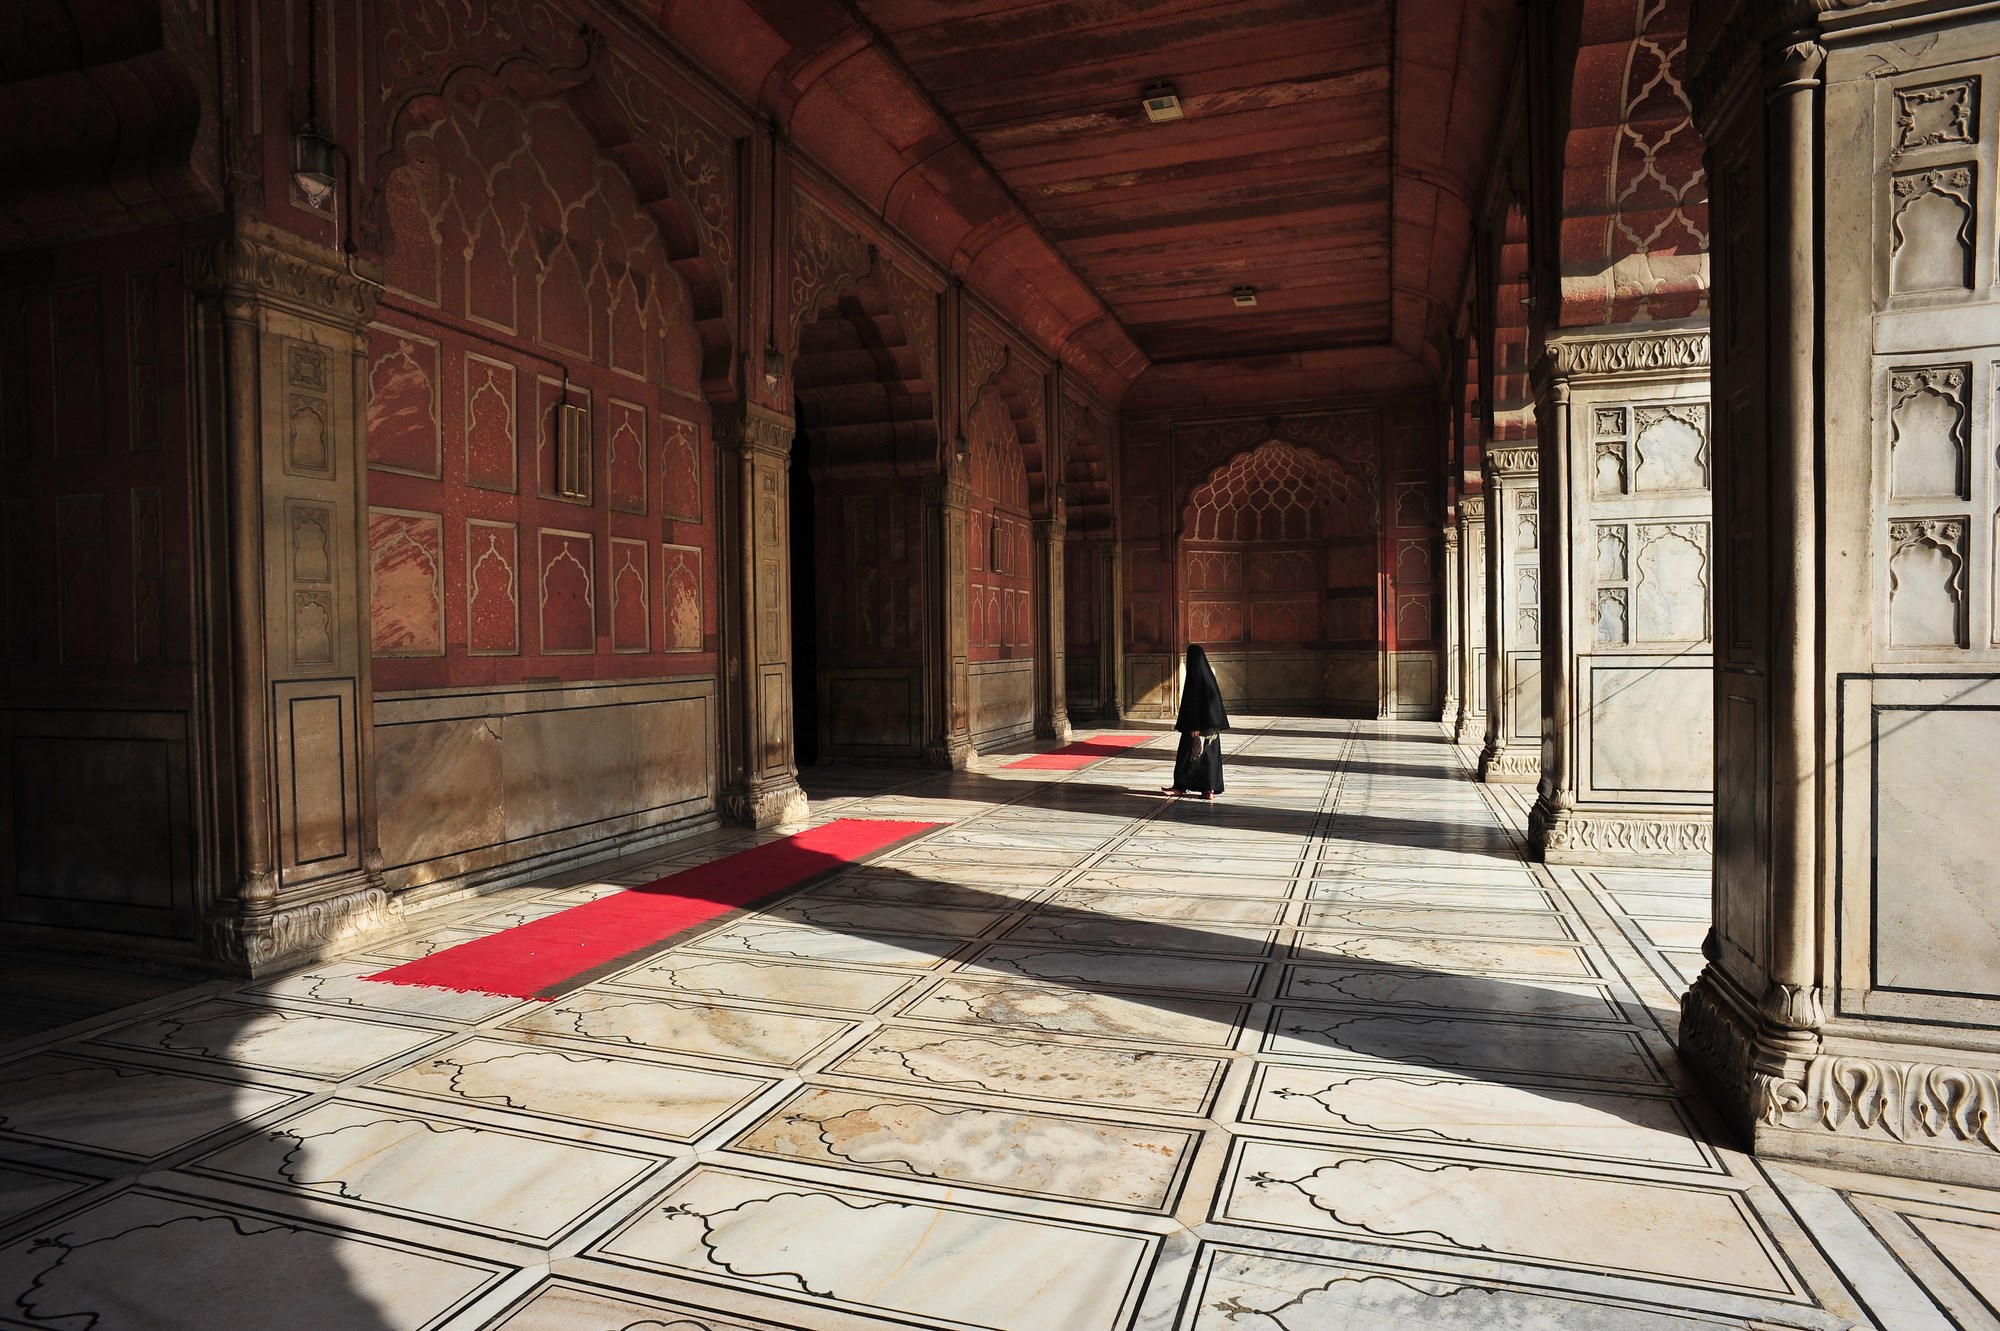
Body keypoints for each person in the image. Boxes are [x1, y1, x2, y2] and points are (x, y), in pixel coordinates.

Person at [1163, 643, 1228, 799]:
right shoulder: (1207, 678)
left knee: (1187, 756)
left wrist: (1196, 726)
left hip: (1198, 727)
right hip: (1208, 727)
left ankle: (1181, 787)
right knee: (1208, 758)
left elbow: (1200, 705)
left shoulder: (1197, 680)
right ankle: (1207, 790)